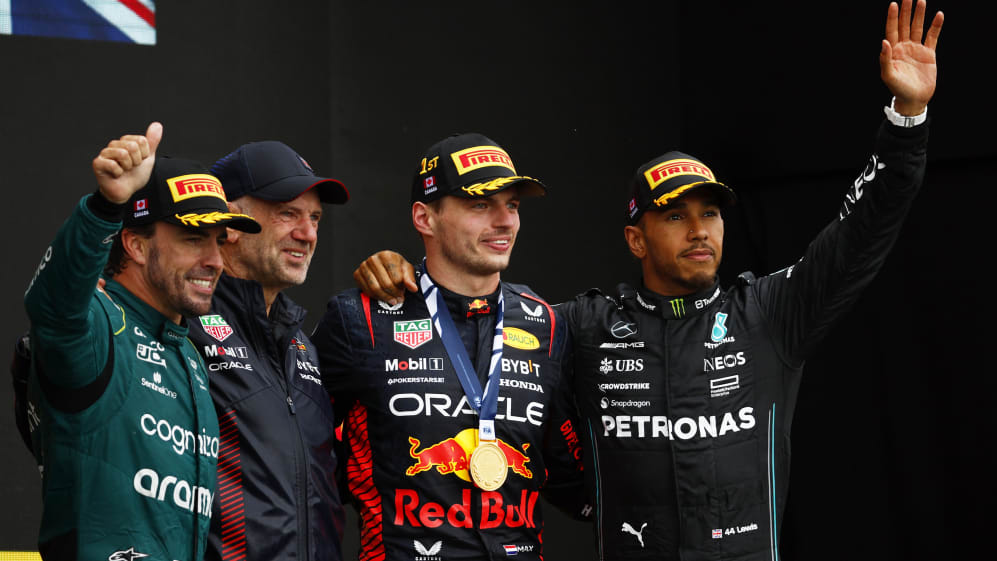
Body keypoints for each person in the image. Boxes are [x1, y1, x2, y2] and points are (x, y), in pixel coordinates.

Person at [351, 1, 943, 559]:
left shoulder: (768, 314)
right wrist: (400, 273)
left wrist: (906, 121)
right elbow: (480, 331)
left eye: (709, 213)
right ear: (636, 239)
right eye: (675, 216)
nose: (699, 231)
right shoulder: (581, 326)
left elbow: (863, 233)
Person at [310, 133, 585, 561]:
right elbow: (300, 454)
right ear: (425, 217)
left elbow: (572, 474)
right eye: (480, 204)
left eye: (512, 205)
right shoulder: (360, 318)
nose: (505, 221)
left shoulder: (546, 323)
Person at [23, 122, 261, 561]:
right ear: (133, 243)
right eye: (193, 239)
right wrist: (104, 207)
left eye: (217, 242)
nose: (214, 262)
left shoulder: (188, 350)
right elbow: (54, 307)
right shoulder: (100, 325)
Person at [184, 141, 349, 561]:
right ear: (229, 224)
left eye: (314, 218)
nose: (308, 233)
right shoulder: (180, 325)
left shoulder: (302, 345)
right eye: (288, 214)